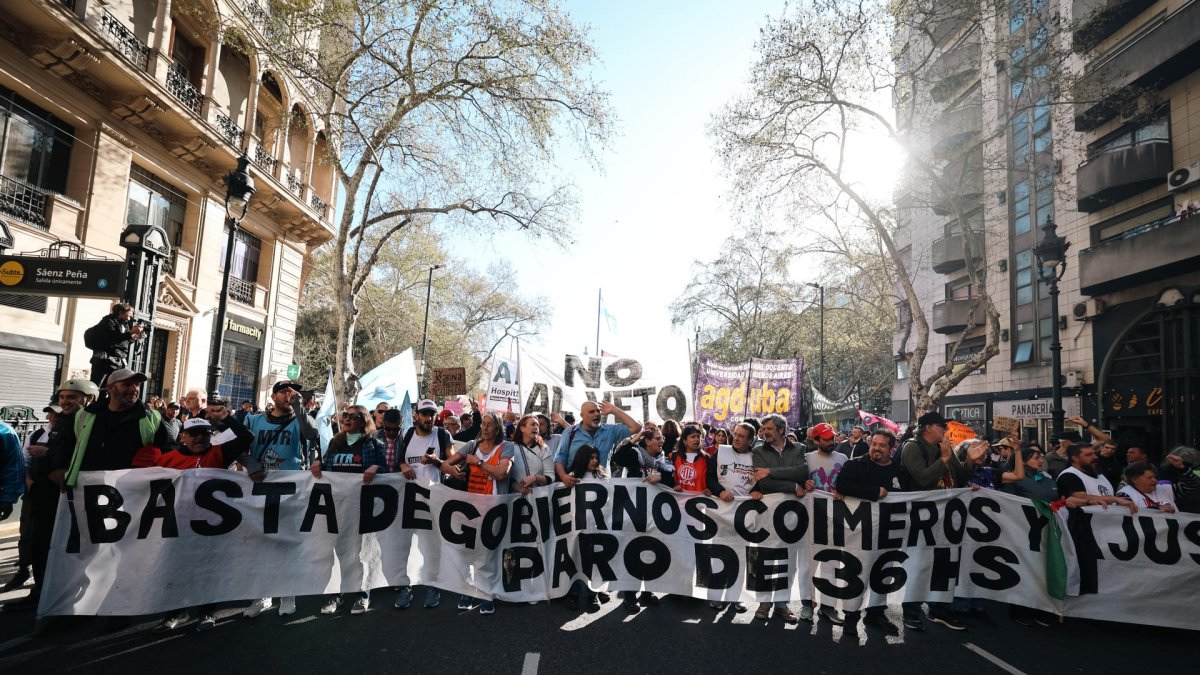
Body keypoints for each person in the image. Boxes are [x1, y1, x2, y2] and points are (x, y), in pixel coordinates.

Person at [147, 415, 254, 632]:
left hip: (211, 525)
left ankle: (207, 611)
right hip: (178, 524)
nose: (199, 438)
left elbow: (246, 436)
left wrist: (224, 418)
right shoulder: (167, 459)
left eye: (205, 434)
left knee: (208, 568)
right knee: (175, 569)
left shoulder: (219, 453)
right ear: (182, 437)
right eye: (193, 434)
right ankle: (176, 612)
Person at [5, 379, 99, 612]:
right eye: (63, 397)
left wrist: (49, 454)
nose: (66, 402)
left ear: (87, 399)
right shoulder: (61, 424)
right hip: (44, 496)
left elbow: (84, 453)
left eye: (73, 397)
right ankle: (40, 592)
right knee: (38, 545)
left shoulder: (88, 423)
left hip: (67, 496)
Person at [898, 411, 982, 632]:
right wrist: (944, 459)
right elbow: (923, 478)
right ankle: (911, 611)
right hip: (922, 515)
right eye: (940, 426)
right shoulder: (912, 447)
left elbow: (960, 479)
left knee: (945, 563)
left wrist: (970, 463)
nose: (945, 430)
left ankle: (939, 608)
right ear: (928, 428)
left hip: (946, 516)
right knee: (920, 564)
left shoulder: (945, 447)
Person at [242, 379, 320, 619]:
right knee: (260, 543)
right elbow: (236, 446)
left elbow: (312, 434)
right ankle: (262, 594)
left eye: (293, 392)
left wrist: (299, 408)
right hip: (259, 487)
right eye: (284, 392)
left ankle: (288, 593)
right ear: (273, 397)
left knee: (288, 542)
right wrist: (249, 462)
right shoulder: (254, 420)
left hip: (290, 489)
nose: (289, 395)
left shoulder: (299, 420)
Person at [312, 405, 389, 615]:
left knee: (362, 552)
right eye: (345, 415)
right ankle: (337, 593)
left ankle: (362, 594)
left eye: (352, 417)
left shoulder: (373, 444)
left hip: (363, 508)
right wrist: (318, 462)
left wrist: (377, 468)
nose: (346, 419)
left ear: (363, 421)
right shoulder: (336, 443)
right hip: (337, 507)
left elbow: (388, 473)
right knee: (338, 552)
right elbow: (326, 467)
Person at [440, 412, 513, 615]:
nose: (486, 428)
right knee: (468, 551)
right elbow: (446, 464)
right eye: (484, 424)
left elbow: (502, 473)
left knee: (488, 553)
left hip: (494, 507)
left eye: (491, 425)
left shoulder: (506, 447)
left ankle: (487, 593)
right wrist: (452, 470)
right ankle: (468, 591)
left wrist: (479, 463)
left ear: (498, 428)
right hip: (471, 507)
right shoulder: (472, 445)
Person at [833, 429, 904, 636]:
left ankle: (876, 614)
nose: (876, 448)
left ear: (892, 449)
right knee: (857, 573)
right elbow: (843, 485)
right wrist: (874, 493)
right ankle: (851, 617)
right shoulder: (856, 465)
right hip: (860, 534)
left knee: (883, 574)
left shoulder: (899, 470)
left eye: (882, 445)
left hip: (888, 533)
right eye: (874, 444)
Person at [392, 399, 454, 611]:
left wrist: (437, 461)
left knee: (431, 545)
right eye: (425, 414)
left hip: (434, 501)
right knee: (406, 545)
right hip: (409, 500)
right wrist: (403, 467)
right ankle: (406, 587)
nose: (429, 418)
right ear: (416, 415)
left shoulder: (443, 435)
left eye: (432, 415)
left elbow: (452, 466)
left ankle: (433, 585)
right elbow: (400, 459)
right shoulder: (408, 434)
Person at [63, 369, 172, 487]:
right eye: (127, 384)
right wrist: (59, 467)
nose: (134, 389)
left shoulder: (152, 418)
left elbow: (169, 451)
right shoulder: (86, 414)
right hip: (86, 488)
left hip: (131, 492)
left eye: (137, 384)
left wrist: (153, 457)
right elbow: (68, 444)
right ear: (110, 388)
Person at [750, 413, 806, 624]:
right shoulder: (758, 451)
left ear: (782, 430)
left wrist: (771, 471)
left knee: (788, 558)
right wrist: (792, 486)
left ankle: (782, 604)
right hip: (767, 513)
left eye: (769, 429)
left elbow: (801, 471)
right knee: (765, 556)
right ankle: (764, 602)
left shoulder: (799, 448)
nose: (764, 432)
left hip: (792, 514)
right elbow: (764, 484)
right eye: (763, 429)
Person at [706, 421, 757, 614]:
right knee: (719, 554)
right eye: (735, 434)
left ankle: (736, 597)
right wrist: (719, 492)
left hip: (745, 514)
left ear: (750, 440)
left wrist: (757, 491)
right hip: (721, 512)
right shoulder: (721, 452)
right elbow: (709, 476)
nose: (736, 438)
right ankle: (716, 596)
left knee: (742, 557)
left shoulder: (756, 457)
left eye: (741, 436)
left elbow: (762, 482)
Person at [801, 422, 847, 624]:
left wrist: (845, 490)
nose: (831, 441)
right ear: (815, 440)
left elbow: (848, 484)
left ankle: (828, 607)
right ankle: (807, 604)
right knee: (808, 565)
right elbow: (798, 485)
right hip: (811, 520)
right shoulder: (806, 459)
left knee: (831, 564)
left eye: (833, 438)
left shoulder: (844, 459)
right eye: (827, 439)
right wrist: (804, 483)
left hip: (835, 521)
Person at [553, 400, 640, 487]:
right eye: (591, 412)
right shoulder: (570, 432)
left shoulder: (610, 431)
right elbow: (560, 458)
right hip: (575, 486)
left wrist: (614, 410)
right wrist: (563, 476)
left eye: (598, 411)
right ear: (582, 415)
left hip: (602, 486)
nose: (596, 414)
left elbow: (636, 427)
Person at [1056, 442, 1137, 511]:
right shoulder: (1069, 475)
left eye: (1094, 453)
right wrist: (1115, 499)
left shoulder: (1099, 474)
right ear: (1075, 458)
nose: (1095, 457)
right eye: (1089, 455)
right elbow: (1082, 498)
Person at [87, 302, 145, 386]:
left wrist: (133, 337)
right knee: (98, 386)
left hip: (118, 361)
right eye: (128, 315)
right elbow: (112, 338)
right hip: (104, 361)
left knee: (115, 386)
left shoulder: (124, 325)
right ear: (120, 312)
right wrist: (130, 333)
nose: (129, 318)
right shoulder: (107, 322)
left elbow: (122, 343)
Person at [510, 415, 554, 494]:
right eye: (533, 424)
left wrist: (535, 478)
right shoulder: (510, 448)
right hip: (515, 498)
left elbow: (551, 477)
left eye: (538, 425)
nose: (536, 427)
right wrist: (516, 486)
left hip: (538, 498)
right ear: (522, 428)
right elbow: (504, 476)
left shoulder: (544, 449)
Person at [669, 424, 717, 495]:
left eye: (698, 436)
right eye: (693, 437)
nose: (696, 439)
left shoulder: (707, 458)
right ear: (684, 441)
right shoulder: (673, 457)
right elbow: (667, 479)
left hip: (700, 503)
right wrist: (673, 485)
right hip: (678, 503)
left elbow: (712, 480)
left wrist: (710, 490)